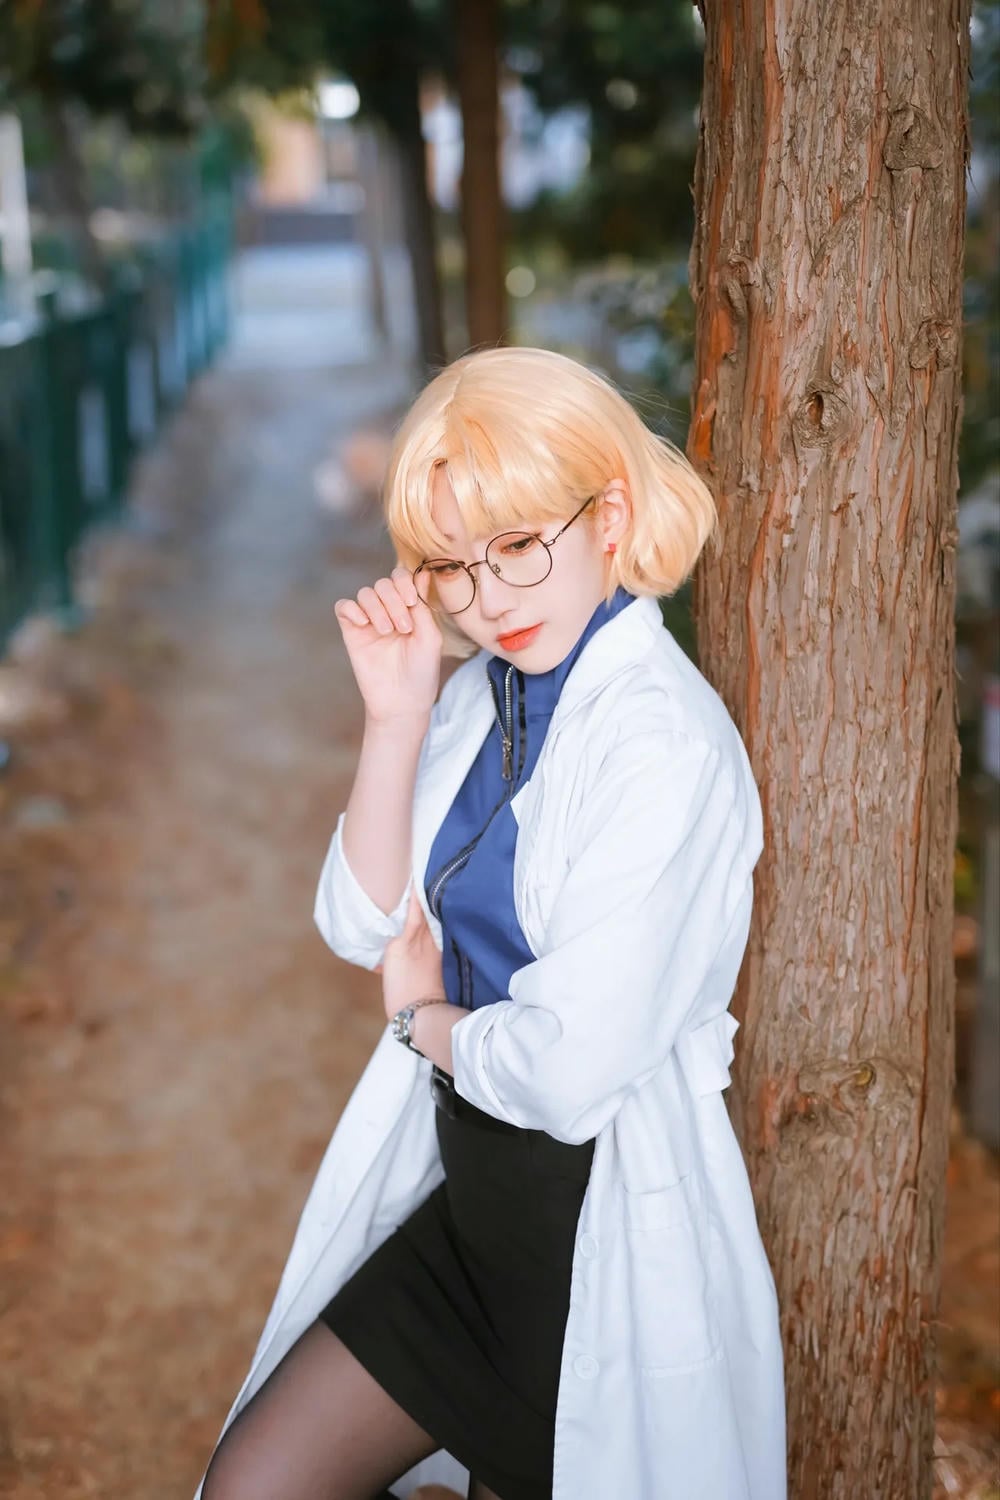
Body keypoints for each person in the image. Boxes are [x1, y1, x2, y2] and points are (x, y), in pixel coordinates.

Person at [196, 346, 787, 1500]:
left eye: (516, 546)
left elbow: (564, 1074)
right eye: (451, 566)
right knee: (254, 1487)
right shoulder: (484, 694)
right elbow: (359, 919)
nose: (487, 602)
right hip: (469, 1230)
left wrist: (427, 1021)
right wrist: (394, 717)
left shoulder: (662, 746)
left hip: (596, 1254)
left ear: (608, 514)